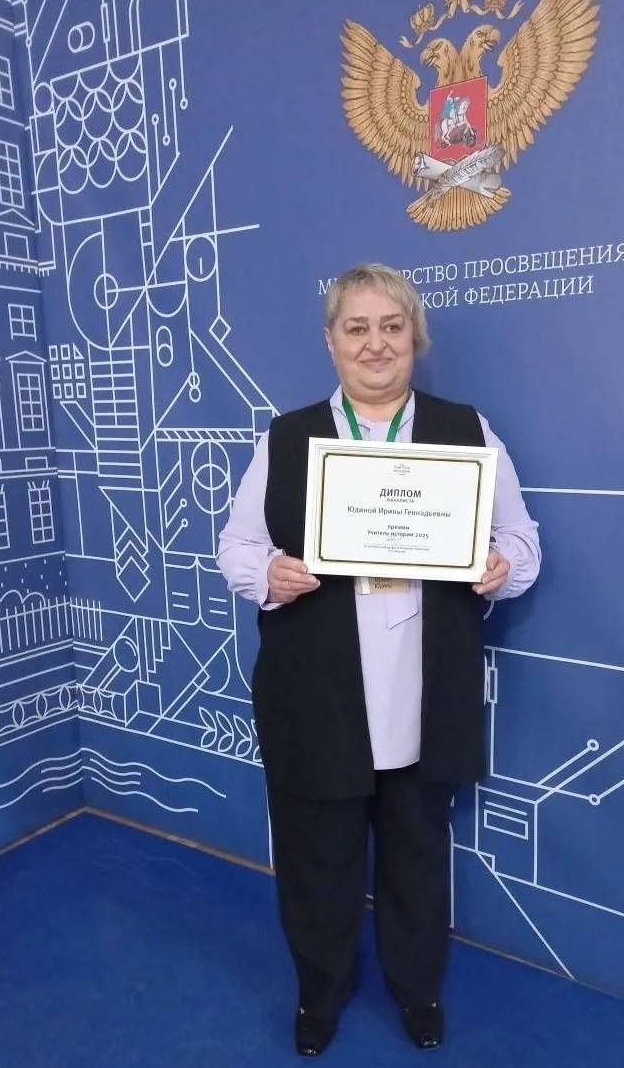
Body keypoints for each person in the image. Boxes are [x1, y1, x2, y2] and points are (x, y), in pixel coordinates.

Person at [217, 263, 540, 1057]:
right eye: (356, 328)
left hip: (425, 692)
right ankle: (319, 995)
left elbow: (522, 541)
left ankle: (417, 989)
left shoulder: (467, 430)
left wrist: (500, 565)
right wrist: (269, 573)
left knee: (416, 858)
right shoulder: (287, 437)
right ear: (330, 341)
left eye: (391, 326)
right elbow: (236, 545)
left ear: (414, 337)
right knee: (316, 860)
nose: (375, 344)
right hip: (316, 694)